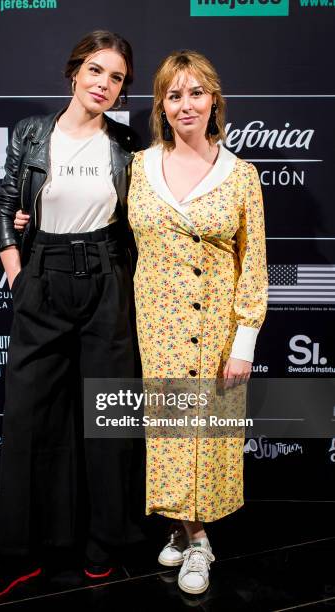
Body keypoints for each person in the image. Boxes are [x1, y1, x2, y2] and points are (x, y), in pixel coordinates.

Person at [0, 30, 143, 600]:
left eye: (116, 77)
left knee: (105, 417)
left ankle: (103, 545)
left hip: (105, 274)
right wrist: (17, 270)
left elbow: (136, 223)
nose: (104, 84)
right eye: (96, 70)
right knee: (26, 419)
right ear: (74, 72)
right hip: (42, 274)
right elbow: (4, 204)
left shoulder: (125, 142)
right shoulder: (32, 133)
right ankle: (16, 555)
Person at [127, 50, 268, 595]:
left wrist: (245, 342)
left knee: (207, 437)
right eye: (173, 94)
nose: (186, 104)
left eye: (196, 92)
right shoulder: (138, 167)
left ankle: (197, 540)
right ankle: (188, 533)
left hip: (215, 330)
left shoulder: (242, 176)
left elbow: (253, 263)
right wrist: (28, 217)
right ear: (162, 105)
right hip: (157, 324)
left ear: (214, 100)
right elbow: (97, 219)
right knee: (169, 432)